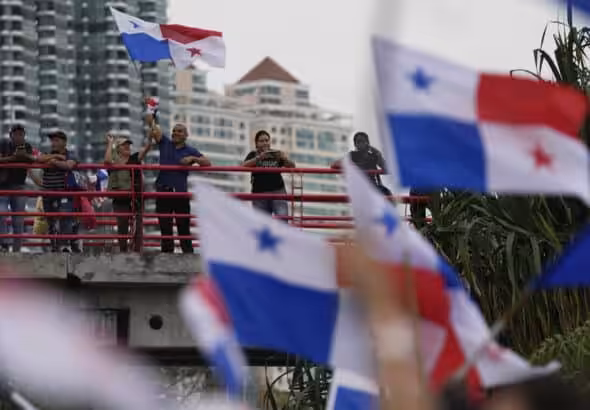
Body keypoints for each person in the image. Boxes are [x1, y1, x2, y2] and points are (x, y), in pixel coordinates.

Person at [147, 115, 210, 254]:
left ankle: (188, 259)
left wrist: (193, 159)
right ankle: (167, 260)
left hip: (180, 194)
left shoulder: (190, 150)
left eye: (179, 131)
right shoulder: (165, 143)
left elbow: (207, 163)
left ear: (186, 135)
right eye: (174, 130)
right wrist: (150, 110)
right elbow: (153, 126)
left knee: (183, 229)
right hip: (163, 192)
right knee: (165, 229)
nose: (175, 133)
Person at [104, 134, 152, 252]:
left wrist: (150, 139)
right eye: (124, 145)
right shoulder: (114, 161)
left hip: (136, 197)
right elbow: (107, 161)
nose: (127, 147)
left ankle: (137, 251)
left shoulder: (135, 158)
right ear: (118, 148)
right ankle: (123, 250)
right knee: (122, 224)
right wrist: (110, 143)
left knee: (139, 225)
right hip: (120, 197)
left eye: (128, 145)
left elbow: (146, 149)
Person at [38, 131, 78, 252]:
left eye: (57, 140)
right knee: (51, 222)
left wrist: (54, 162)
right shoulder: (47, 154)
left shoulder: (71, 154)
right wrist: (57, 158)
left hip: (64, 192)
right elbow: (39, 159)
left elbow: (69, 165)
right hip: (48, 193)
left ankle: (65, 246)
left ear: (64, 142)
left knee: (65, 218)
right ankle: (55, 248)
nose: (53, 143)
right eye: (52, 141)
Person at [242, 130, 295, 217]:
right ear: (256, 144)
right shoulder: (253, 154)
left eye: (267, 140)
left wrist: (285, 158)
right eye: (261, 141)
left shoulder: (276, 154)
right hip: (259, 193)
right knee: (262, 222)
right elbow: (243, 166)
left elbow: (292, 166)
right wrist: (258, 158)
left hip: (278, 191)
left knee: (282, 219)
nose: (265, 143)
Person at [0, 124, 36, 252]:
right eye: (16, 134)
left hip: (19, 185)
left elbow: (33, 160)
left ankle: (17, 249)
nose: (19, 136)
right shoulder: (3, 143)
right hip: (3, 186)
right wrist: (15, 158)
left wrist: (22, 157)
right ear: (11, 135)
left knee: (18, 219)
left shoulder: (27, 146)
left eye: (21, 134)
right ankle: (3, 244)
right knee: (2, 214)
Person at [331, 132, 392, 196]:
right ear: (355, 145)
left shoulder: (373, 156)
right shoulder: (353, 155)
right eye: (358, 142)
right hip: (359, 189)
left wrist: (376, 152)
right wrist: (355, 166)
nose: (361, 144)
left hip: (373, 188)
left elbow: (387, 169)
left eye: (363, 141)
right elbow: (334, 165)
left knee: (388, 194)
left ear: (367, 143)